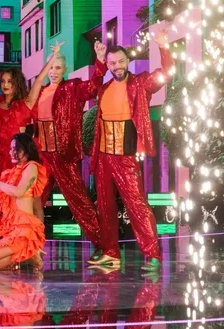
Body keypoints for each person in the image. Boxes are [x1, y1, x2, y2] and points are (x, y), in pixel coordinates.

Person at [87, 25, 173, 273]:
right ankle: (110, 253)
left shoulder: (140, 83)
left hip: (126, 156)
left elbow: (166, 73)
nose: (117, 66)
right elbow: (92, 86)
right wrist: (99, 61)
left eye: (121, 61)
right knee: (104, 206)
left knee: (137, 204)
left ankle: (153, 255)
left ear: (128, 61)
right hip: (103, 155)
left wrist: (163, 45)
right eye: (112, 63)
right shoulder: (103, 89)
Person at [0, 42, 64, 264]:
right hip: (3, 161)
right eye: (2, 81)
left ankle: (35, 250)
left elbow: (39, 81)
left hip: (22, 162)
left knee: (33, 206)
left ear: (17, 83)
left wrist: (53, 57)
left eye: (10, 81)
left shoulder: (25, 104)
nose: (5, 85)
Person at [32, 41, 107, 260]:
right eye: (51, 67)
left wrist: (99, 60)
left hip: (63, 154)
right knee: (33, 200)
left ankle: (103, 244)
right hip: (43, 155)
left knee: (79, 200)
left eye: (58, 68)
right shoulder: (41, 91)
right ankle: (26, 245)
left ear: (65, 70)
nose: (53, 72)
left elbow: (92, 87)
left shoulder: (72, 88)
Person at [0, 133, 47, 272]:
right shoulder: (12, 171)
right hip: (8, 225)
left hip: (22, 230)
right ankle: (23, 253)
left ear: (27, 150)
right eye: (11, 149)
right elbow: (1, 199)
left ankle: (28, 251)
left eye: (16, 149)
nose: (12, 152)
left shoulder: (31, 167)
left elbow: (19, 191)